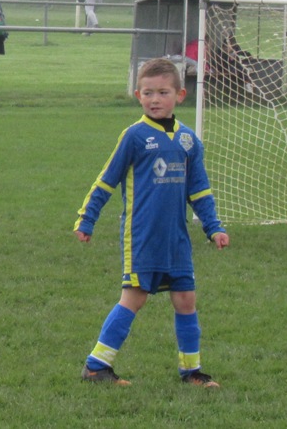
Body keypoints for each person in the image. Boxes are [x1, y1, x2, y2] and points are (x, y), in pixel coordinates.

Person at [74, 57, 230, 388]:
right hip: (142, 236)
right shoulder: (134, 136)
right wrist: (87, 218)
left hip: (176, 238)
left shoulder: (189, 140)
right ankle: (96, 366)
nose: (154, 99)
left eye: (162, 92)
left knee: (186, 300)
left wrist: (213, 226)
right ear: (138, 95)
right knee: (135, 297)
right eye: (147, 93)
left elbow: (199, 190)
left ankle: (191, 371)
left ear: (180, 95)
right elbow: (107, 180)